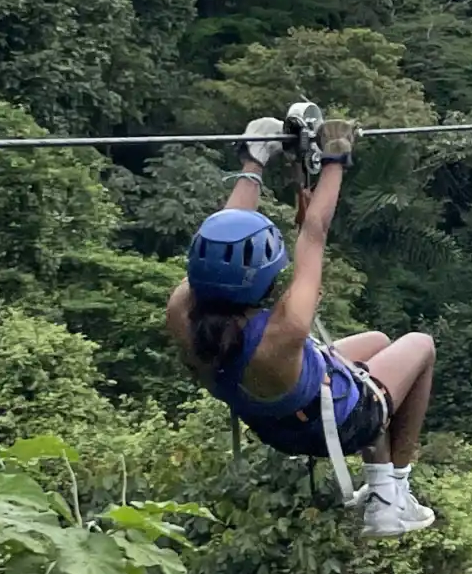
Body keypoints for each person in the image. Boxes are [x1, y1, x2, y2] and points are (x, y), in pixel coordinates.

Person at [168, 112, 436, 537]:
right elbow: (314, 233)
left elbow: (221, 236)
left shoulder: (183, 314)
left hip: (278, 425)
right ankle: (392, 497)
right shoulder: (285, 328)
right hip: (340, 425)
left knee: (378, 342)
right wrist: (335, 158)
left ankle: (383, 487)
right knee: (420, 345)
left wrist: (254, 162)